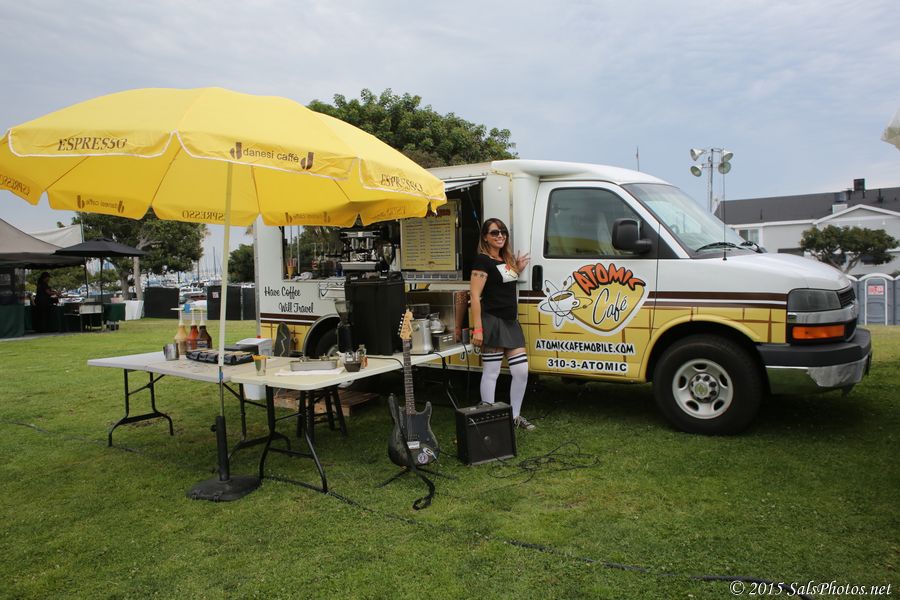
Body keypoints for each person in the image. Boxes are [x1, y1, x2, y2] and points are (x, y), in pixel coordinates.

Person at [469, 218, 535, 430]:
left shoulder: (504, 259)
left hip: (510, 322)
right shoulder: (482, 260)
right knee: (491, 372)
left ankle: (514, 417)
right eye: (495, 232)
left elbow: (502, 283)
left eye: (503, 232)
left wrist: (517, 269)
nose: (500, 236)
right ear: (485, 237)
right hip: (492, 321)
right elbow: (475, 295)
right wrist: (478, 329)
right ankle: (488, 418)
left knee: (521, 371)